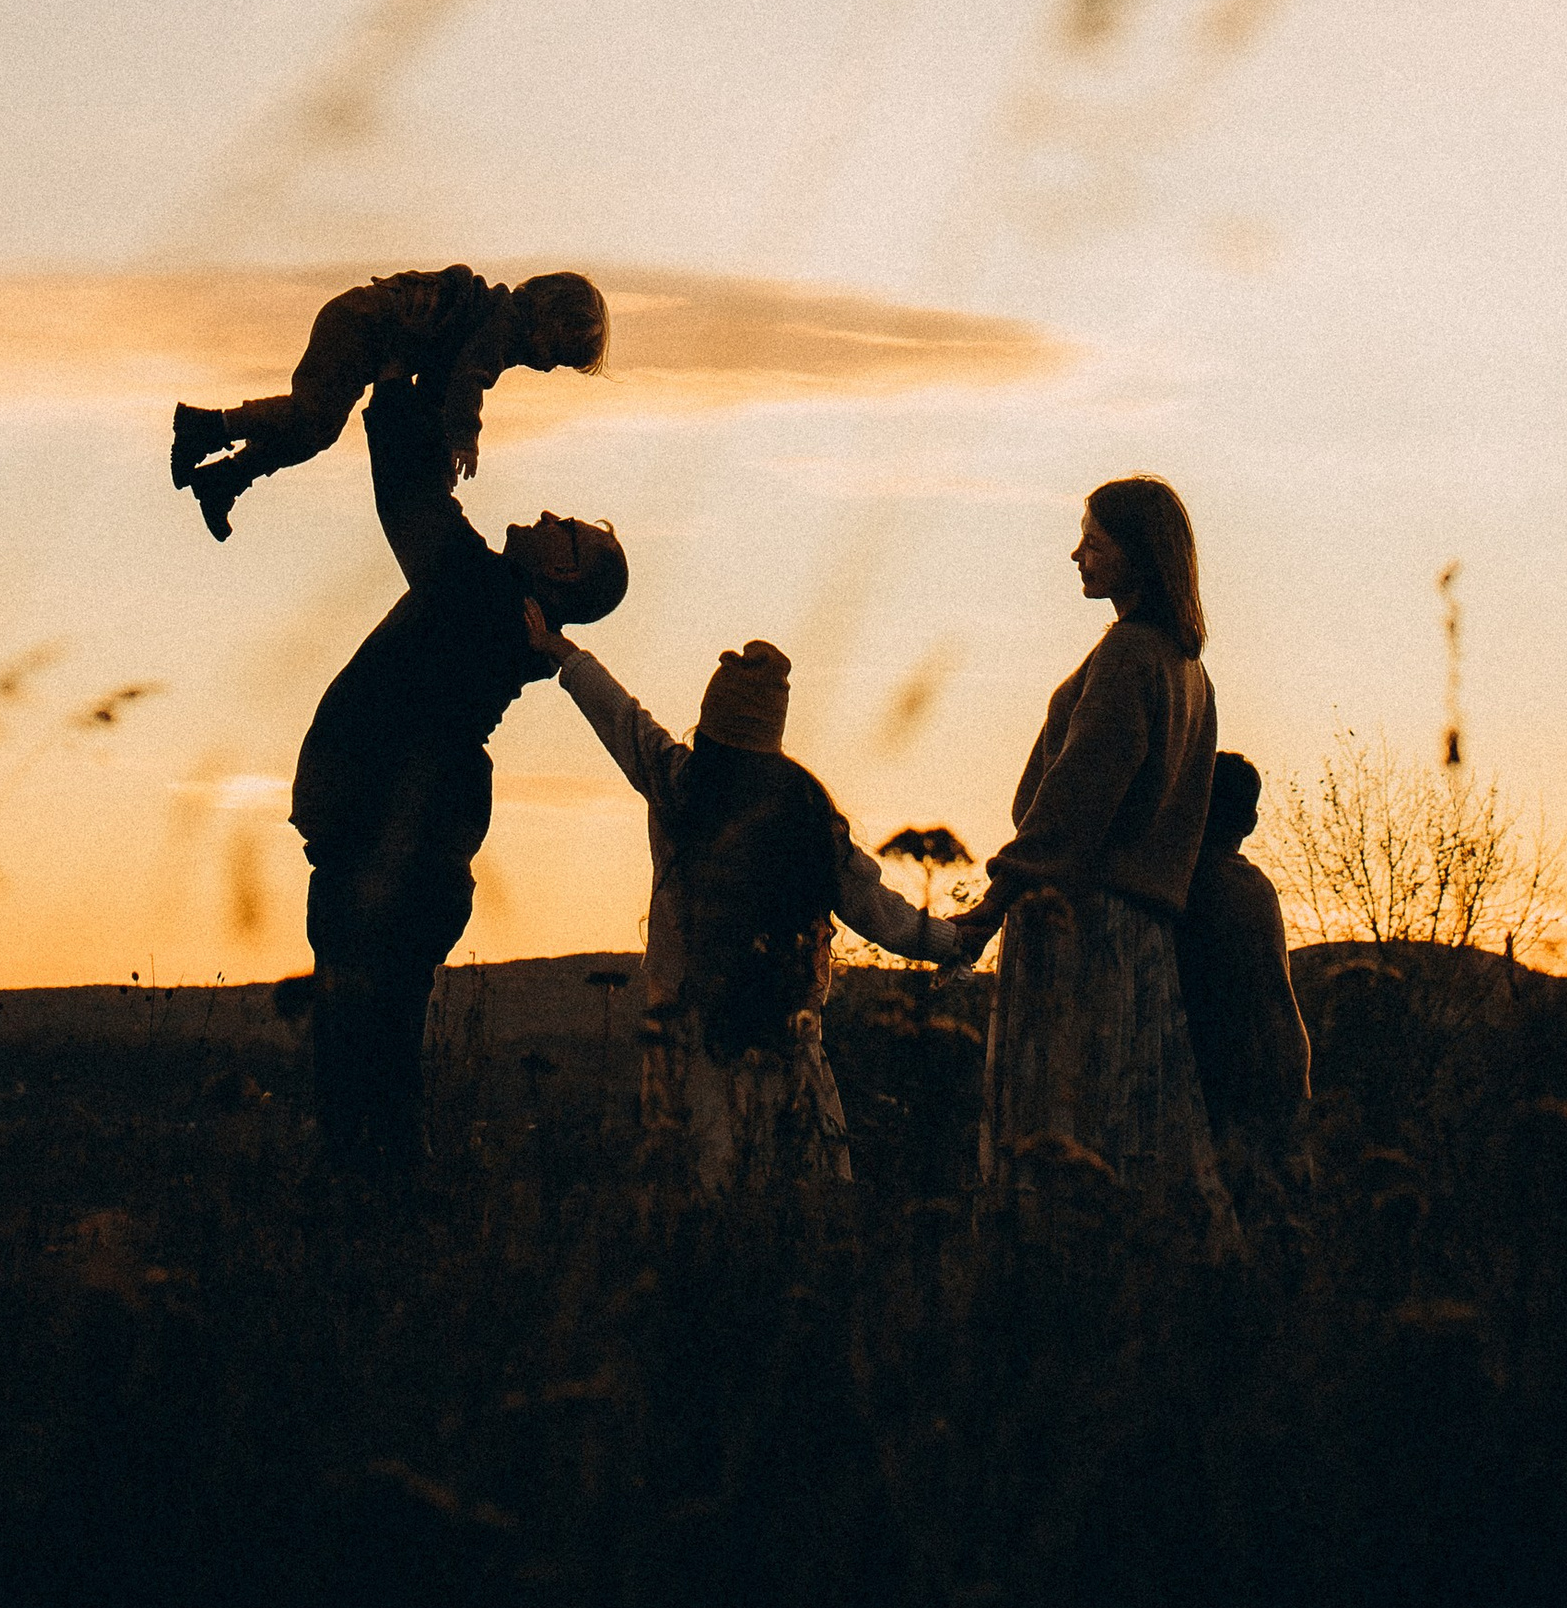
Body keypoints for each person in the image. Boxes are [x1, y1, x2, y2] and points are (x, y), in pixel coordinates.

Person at [239, 367, 629, 1169]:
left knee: (359, 1069)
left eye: (572, 534)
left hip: (391, 863)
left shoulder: (481, 595)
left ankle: (373, 1225)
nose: (552, 515)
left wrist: (395, 384)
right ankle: (384, 1219)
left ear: (563, 576)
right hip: (404, 861)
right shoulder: (494, 601)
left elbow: (409, 508)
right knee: (375, 1064)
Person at [524, 615, 961, 1191]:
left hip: (688, 1035)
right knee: (804, 1197)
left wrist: (560, 649)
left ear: (709, 725)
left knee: (701, 1198)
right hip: (790, 1036)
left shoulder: (680, 781)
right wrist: (957, 940)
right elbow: (876, 909)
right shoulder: (805, 810)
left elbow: (620, 717)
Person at [953, 475, 1233, 1227]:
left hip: (1077, 925)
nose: (1076, 554)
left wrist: (997, 898)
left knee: (1056, 1129)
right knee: (1132, 1129)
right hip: (1145, 938)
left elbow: (1075, 800)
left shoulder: (1130, 657)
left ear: (1139, 555)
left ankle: (1040, 1282)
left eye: (1094, 541)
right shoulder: (1190, 671)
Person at [171, 265, 610, 538]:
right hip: (362, 327)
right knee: (312, 416)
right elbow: (465, 381)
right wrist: (463, 441)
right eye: (558, 352)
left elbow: (434, 392)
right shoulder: (502, 327)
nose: (551, 366)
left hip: (361, 325)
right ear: (545, 317)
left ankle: (226, 478)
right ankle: (209, 428)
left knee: (316, 431)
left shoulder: (481, 318)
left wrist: (436, 458)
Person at [1176, 751, 1312, 1162]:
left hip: (1233, 1073)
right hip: (1285, 1060)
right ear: (1250, 823)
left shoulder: (1189, 884)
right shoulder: (1257, 884)